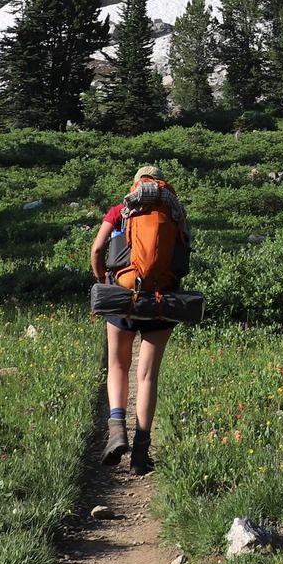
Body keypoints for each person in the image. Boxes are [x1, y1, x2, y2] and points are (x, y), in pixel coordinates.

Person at [89, 164, 188, 473]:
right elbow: (183, 259)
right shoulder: (175, 213)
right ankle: (141, 453)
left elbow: (97, 248)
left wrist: (104, 279)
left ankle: (117, 429)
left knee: (118, 365)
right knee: (147, 376)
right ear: (162, 185)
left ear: (137, 185)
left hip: (122, 295)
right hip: (162, 301)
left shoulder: (121, 209)